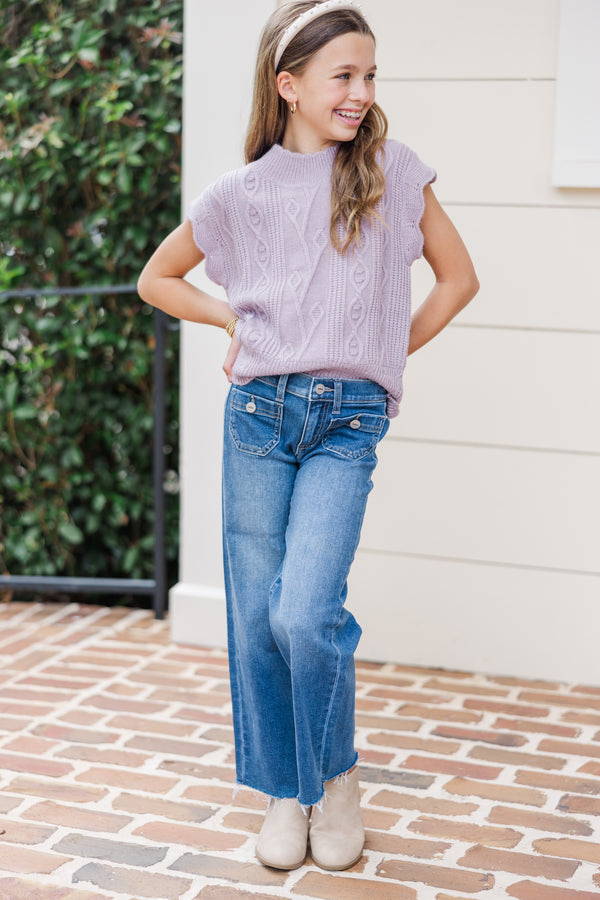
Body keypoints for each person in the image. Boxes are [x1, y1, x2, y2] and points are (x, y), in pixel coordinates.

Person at [138, 0, 479, 874]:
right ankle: (283, 793)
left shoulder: (394, 170)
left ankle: (336, 778)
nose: (362, 91)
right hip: (258, 416)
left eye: (370, 75)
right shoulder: (241, 194)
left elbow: (457, 279)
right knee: (256, 616)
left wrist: (377, 352)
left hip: (346, 424)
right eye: (344, 75)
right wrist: (229, 322)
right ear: (288, 87)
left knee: (305, 610)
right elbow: (158, 278)